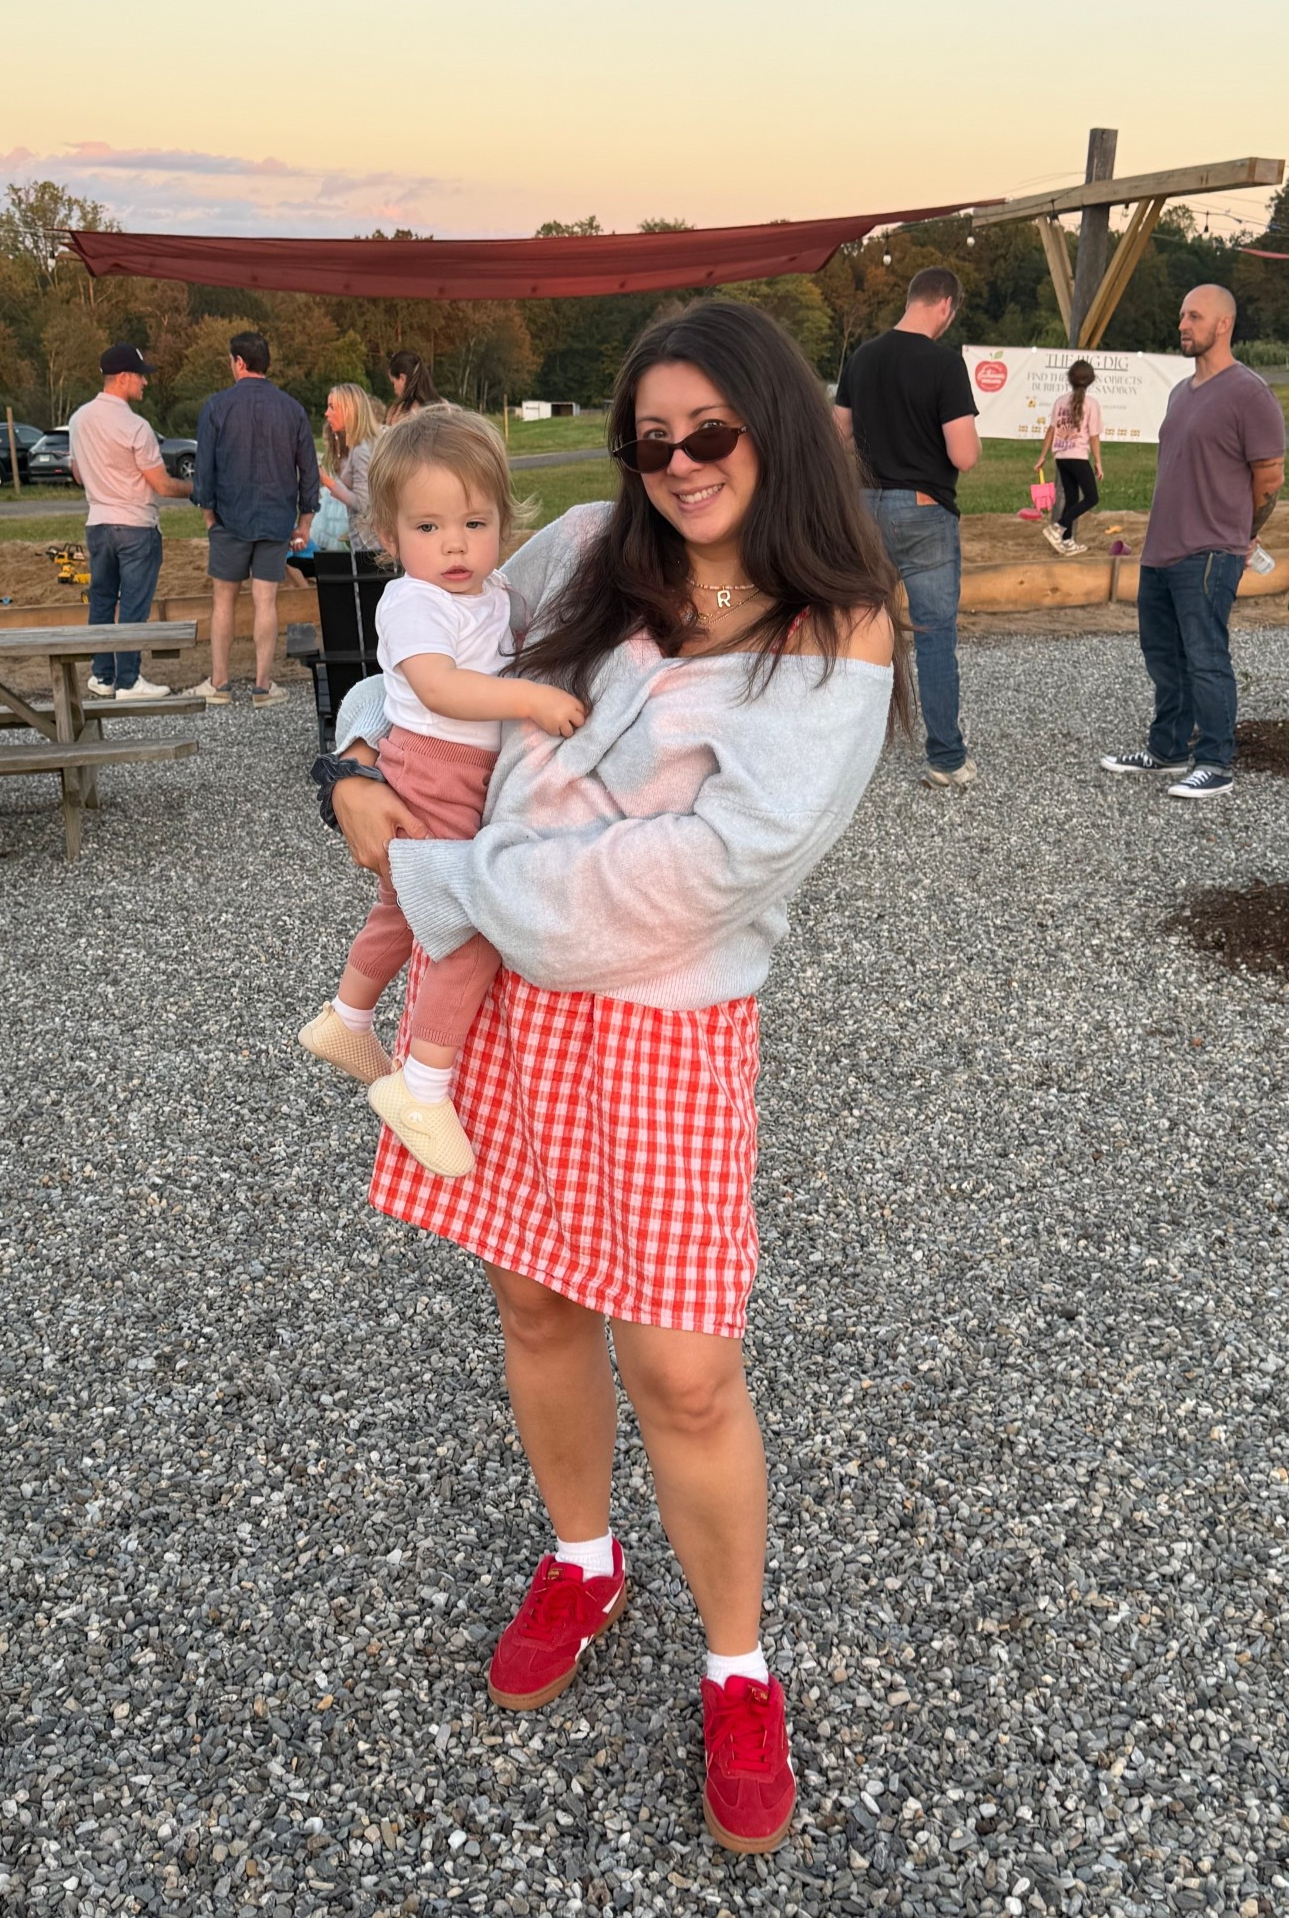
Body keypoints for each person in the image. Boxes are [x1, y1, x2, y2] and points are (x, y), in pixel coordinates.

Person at [324, 301, 911, 1855]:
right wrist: (348, 766)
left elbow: (720, 867)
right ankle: (584, 1557)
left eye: (708, 432)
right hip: (511, 1010)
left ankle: (738, 1663)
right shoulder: (591, 545)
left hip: (660, 1023)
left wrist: (463, 882)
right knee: (532, 1302)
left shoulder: (836, 626)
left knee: (689, 1371)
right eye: (652, 437)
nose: (678, 463)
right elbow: (419, 643)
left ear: (776, 426)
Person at [298, 412, 584, 1176]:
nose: (454, 544)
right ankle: (423, 1086)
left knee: (400, 902)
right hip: (436, 769)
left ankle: (348, 1015)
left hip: (453, 771)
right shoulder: (414, 602)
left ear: (502, 518)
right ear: (390, 536)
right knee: (474, 922)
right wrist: (528, 703)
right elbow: (435, 685)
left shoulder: (492, 593)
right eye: (429, 526)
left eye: (474, 521)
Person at [1101, 285, 1285, 801]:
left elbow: (1269, 477)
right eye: (1181, 315)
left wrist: (1242, 535)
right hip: (1161, 549)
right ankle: (1167, 749)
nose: (1183, 324)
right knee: (1163, 655)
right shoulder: (1181, 392)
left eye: (1194, 316)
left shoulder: (1249, 393)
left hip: (1209, 551)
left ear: (1223, 324)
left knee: (1206, 656)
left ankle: (1216, 762)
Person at [833, 266, 981, 788]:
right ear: (945, 305)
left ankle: (842, 755)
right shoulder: (944, 365)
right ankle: (945, 758)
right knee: (935, 634)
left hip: (864, 507)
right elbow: (963, 453)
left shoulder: (864, 357)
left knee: (857, 630)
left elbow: (838, 434)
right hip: (923, 509)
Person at [189, 331, 319, 708]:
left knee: (223, 602)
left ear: (239, 362)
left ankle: (220, 683)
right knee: (266, 600)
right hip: (276, 520)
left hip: (229, 518)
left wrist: (209, 515)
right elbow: (308, 471)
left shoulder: (217, 406)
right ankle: (263, 686)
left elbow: (205, 471)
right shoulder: (293, 409)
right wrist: (305, 520)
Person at [68, 344, 195, 699]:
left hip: (98, 522)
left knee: (102, 601)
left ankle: (102, 675)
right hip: (136, 524)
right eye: (141, 376)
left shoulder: (78, 419)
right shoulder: (136, 427)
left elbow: (78, 473)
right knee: (134, 605)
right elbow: (162, 484)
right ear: (123, 378)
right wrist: (195, 488)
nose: (145, 383)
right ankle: (129, 680)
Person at [1032, 359, 1103, 555]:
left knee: (1072, 499)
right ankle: (1058, 527)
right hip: (1078, 456)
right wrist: (1098, 462)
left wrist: (1042, 456)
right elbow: (1094, 436)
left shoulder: (1060, 402)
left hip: (1061, 456)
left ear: (1070, 379)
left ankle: (1067, 540)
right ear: (1091, 380)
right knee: (1091, 497)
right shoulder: (1092, 404)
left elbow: (1051, 430)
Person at [317, 383, 390, 558]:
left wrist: (327, 482)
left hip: (371, 544)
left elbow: (363, 504)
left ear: (349, 410)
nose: (327, 413)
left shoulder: (361, 449)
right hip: (368, 541)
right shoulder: (357, 444)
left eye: (332, 407)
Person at [385, 350, 443, 424]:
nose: (394, 389)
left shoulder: (402, 412)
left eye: (393, 383)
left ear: (402, 378)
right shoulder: (443, 407)